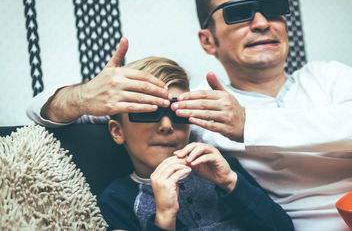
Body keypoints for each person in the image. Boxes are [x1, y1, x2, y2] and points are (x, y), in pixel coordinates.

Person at [26, 0, 352, 230]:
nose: (260, 22)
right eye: (238, 13)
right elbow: (43, 109)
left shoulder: (329, 75)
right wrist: (83, 95)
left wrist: (250, 124)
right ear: (208, 40)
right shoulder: (193, 108)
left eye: (272, 8)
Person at [97, 56, 293, 231]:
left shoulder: (221, 169)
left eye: (178, 113)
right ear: (117, 131)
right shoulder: (116, 201)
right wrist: (164, 216)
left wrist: (231, 182)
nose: (166, 125)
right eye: (149, 113)